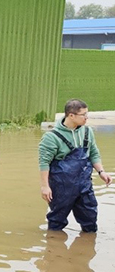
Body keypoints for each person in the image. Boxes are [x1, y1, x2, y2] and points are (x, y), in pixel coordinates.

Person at [38, 99, 111, 232]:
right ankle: (53, 247)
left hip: (84, 184)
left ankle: (87, 246)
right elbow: (44, 163)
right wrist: (45, 186)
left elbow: (94, 153)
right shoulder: (51, 137)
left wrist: (101, 172)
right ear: (71, 115)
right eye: (83, 115)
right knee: (56, 222)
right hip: (61, 187)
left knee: (90, 219)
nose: (86, 118)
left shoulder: (88, 132)